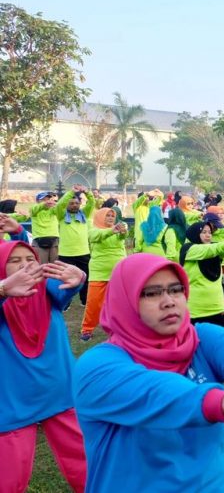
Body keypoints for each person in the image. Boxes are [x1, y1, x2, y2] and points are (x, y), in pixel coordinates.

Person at [72, 254, 224, 491]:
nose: (169, 301)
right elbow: (157, 395)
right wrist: (220, 403)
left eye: (176, 289)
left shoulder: (201, 338)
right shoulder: (96, 367)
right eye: (151, 293)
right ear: (124, 300)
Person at [0, 241, 88, 492]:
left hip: (60, 393)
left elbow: (67, 287)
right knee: (9, 479)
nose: (25, 265)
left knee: (88, 465)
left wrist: (79, 277)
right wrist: (4, 289)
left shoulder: (47, 290)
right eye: (14, 261)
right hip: (12, 405)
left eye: (30, 259)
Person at [179, 222, 224, 327]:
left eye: (209, 232)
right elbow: (207, 250)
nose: (208, 235)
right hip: (196, 311)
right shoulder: (188, 249)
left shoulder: (214, 248)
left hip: (217, 308)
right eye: (204, 232)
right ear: (195, 233)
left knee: (219, 343)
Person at [80, 209, 128, 342]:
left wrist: (122, 231)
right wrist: (112, 231)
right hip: (98, 272)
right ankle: (87, 329)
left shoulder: (118, 228)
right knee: (94, 302)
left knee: (120, 302)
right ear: (100, 216)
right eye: (108, 215)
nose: (111, 217)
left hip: (118, 271)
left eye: (113, 216)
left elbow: (123, 237)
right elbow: (95, 237)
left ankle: (120, 329)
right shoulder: (93, 229)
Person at [55, 185, 96, 306]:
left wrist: (87, 193)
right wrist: (71, 192)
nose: (74, 205)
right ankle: (65, 303)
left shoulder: (85, 214)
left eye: (77, 203)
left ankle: (84, 301)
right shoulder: (61, 216)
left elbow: (92, 202)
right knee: (65, 279)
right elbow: (59, 205)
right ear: (67, 204)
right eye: (71, 203)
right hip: (65, 253)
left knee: (86, 278)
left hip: (83, 252)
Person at [30, 191, 60, 264]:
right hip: (39, 240)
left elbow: (61, 207)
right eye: (44, 199)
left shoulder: (53, 210)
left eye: (49, 199)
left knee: (56, 266)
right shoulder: (34, 209)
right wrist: (44, 204)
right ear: (37, 201)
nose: (47, 201)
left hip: (54, 240)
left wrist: (55, 203)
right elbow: (35, 209)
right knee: (41, 267)